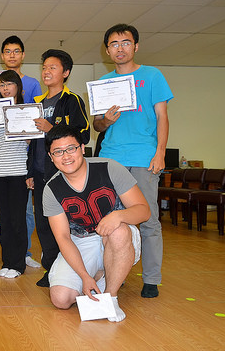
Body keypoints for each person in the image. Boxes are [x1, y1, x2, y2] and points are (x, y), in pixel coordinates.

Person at [93, 24, 173, 299]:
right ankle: (115, 272)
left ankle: (151, 279)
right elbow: (98, 125)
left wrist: (160, 152)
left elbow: (162, 116)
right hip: (110, 158)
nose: (120, 48)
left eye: (125, 43)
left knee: (147, 217)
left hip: (143, 157)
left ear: (135, 46)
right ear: (107, 50)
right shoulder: (104, 82)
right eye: (114, 44)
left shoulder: (152, 75)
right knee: (109, 219)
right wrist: (106, 120)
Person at [43, 124, 150, 322]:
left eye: (71, 148)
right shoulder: (52, 189)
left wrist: (118, 216)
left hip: (118, 236)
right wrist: (84, 276)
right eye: (58, 152)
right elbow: (63, 238)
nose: (66, 156)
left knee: (118, 231)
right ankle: (100, 274)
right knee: (61, 299)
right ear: (51, 157)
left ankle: (111, 296)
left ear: (82, 148)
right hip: (82, 241)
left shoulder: (109, 168)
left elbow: (144, 211)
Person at [27, 49, 90, 287]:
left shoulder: (72, 100)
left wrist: (50, 128)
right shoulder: (36, 103)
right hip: (40, 172)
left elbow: (83, 134)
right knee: (44, 224)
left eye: (52, 67)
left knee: (67, 223)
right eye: (44, 67)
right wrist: (30, 172)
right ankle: (51, 269)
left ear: (66, 72)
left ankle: (74, 270)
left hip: (65, 173)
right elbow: (33, 144)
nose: (46, 71)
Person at [0, 36, 42, 268]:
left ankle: (24, 253)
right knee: (0, 211)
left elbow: (34, 117)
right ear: (2, 55)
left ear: (23, 55)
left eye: (16, 51)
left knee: (24, 210)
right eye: (8, 51)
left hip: (21, 157)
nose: (12, 55)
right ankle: (2, 253)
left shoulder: (33, 83)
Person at [0, 70, 29, 278]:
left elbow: (29, 141)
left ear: (18, 86)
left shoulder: (26, 111)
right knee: (4, 220)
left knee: (18, 220)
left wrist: (19, 123)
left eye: (9, 84)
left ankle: (18, 265)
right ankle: (7, 262)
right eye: (1, 85)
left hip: (19, 171)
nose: (5, 88)